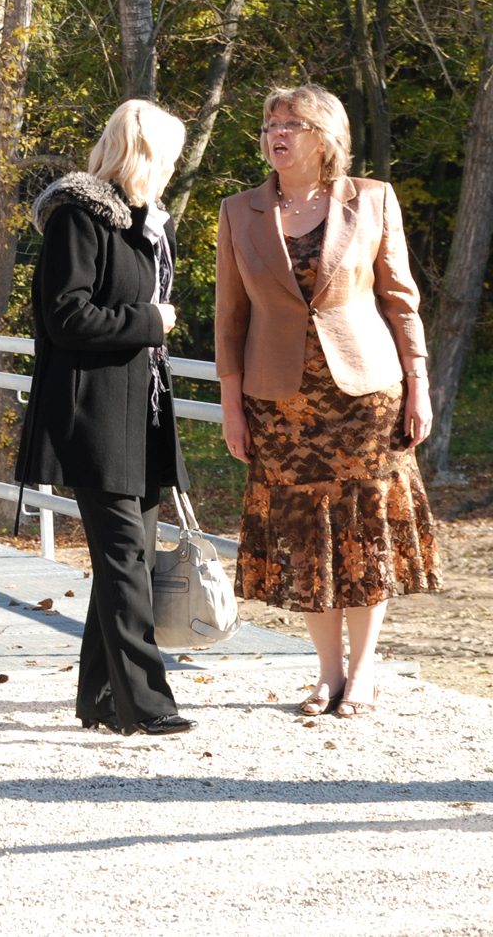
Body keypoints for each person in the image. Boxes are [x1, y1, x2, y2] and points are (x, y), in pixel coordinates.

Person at [218, 84, 440, 719]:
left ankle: (364, 670)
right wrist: (232, 406)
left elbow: (401, 301)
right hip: (278, 402)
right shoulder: (239, 211)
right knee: (305, 531)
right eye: (269, 125)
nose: (276, 134)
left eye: (291, 123)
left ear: (326, 136)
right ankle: (326, 674)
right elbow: (228, 320)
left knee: (364, 527)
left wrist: (419, 383)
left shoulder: (371, 199)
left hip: (366, 396)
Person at [15, 99, 194, 737]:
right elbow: (65, 316)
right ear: (143, 153)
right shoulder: (79, 216)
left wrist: (152, 325)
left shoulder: (148, 223)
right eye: (168, 155)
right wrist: (152, 322)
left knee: (133, 558)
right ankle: (145, 703)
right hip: (93, 411)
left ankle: (98, 696)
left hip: (140, 409)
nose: (173, 168)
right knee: (123, 556)